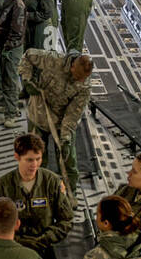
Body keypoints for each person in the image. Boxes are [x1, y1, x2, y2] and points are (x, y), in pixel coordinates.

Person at [20, 47, 92, 195]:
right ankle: (37, 190)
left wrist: (65, 137)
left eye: (83, 78)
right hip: (39, 114)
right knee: (36, 158)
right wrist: (26, 80)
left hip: (60, 122)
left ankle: (69, 193)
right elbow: (27, 56)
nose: (80, 80)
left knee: (68, 160)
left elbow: (72, 114)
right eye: (78, 76)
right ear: (72, 67)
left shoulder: (84, 85)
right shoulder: (53, 60)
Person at [0, 0, 27, 128]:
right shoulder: (9, 1)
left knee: (11, 80)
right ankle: (10, 108)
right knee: (8, 78)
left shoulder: (17, 6)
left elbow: (17, 31)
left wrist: (6, 47)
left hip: (11, 48)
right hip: (7, 46)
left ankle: (11, 114)